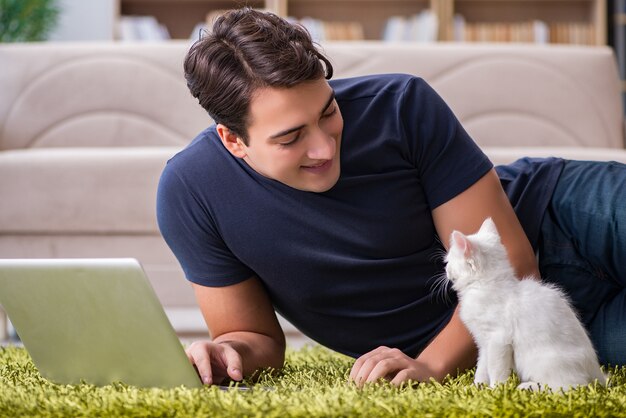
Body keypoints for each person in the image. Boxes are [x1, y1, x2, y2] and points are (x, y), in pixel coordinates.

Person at [156, 7, 626, 387]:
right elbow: (255, 337)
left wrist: (435, 367)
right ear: (233, 140)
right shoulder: (191, 193)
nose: (323, 146)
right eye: (291, 137)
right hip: (533, 338)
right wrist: (228, 353)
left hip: (562, 213)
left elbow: (512, 263)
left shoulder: (402, 103)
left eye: (328, 111)